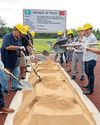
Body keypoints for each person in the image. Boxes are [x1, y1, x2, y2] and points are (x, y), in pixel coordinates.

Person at [1, 24, 27, 92]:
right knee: (5, 77)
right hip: (6, 59)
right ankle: (4, 89)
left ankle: (14, 87)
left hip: (15, 60)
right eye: (20, 33)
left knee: (16, 73)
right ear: (16, 30)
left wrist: (24, 55)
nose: (21, 34)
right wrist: (19, 47)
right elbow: (7, 47)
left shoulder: (18, 38)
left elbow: (19, 48)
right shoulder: (7, 36)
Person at [82, 23, 97, 95]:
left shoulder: (92, 37)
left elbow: (87, 47)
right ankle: (89, 84)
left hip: (91, 58)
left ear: (91, 29)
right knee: (87, 72)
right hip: (86, 58)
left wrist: (84, 47)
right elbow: (83, 46)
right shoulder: (87, 37)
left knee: (90, 73)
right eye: (85, 30)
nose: (85, 31)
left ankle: (90, 89)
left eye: (87, 30)